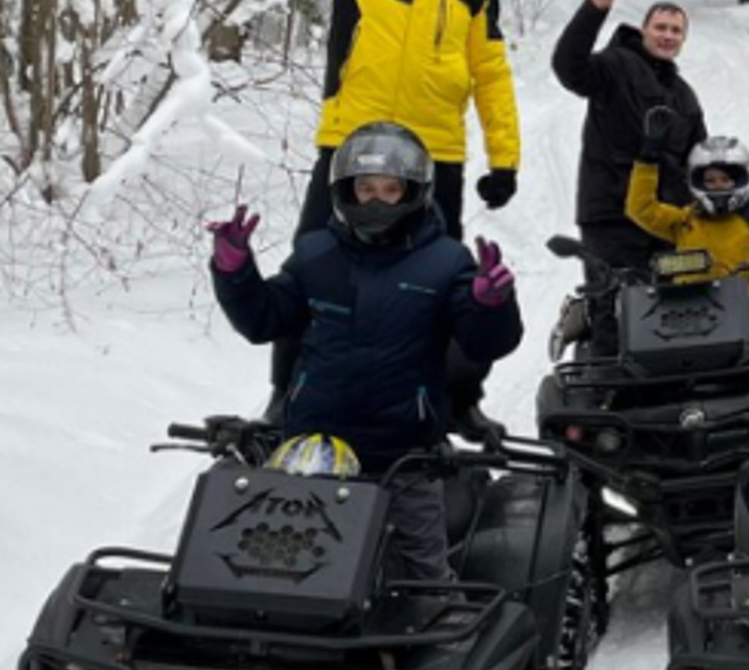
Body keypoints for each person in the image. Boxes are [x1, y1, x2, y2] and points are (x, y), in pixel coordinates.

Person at [211, 0, 519, 423]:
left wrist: (504, 160)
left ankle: (451, 404)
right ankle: (286, 396)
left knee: (444, 284)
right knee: (313, 267)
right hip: (350, 147)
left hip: (435, 156)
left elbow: (491, 75)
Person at [206, 122, 524, 581]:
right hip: (311, 452)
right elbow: (265, 320)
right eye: (366, 188)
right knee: (268, 571)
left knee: (422, 580)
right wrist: (234, 272)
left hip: (403, 457)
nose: (376, 200)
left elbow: (484, 343)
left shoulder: (446, 261)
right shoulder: (316, 254)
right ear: (346, 191)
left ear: (412, 191)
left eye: (390, 190)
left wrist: (490, 304)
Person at [551, 0, 707, 275]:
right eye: (660, 27)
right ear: (644, 29)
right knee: (614, 311)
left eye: (675, 31)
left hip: (668, 223)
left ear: (684, 39)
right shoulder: (615, 66)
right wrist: (592, 12)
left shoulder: (684, 97)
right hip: (613, 218)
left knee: (676, 312)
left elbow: (699, 162)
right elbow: (569, 67)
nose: (667, 36)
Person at [625, 118, 749, 332]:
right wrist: (648, 158)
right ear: (697, 182)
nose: (718, 186)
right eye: (711, 181)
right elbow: (640, 209)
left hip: (738, 324)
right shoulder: (685, 221)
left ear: (740, 180)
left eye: (725, 180)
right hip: (684, 322)